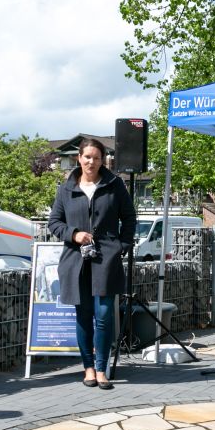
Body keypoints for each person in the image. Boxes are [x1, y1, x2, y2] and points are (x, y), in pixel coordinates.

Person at [48, 138, 135, 389]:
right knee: (83, 317)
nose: (91, 162)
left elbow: (129, 218)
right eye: (87, 157)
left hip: (105, 259)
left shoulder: (114, 185)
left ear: (103, 160)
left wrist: (122, 246)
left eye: (96, 158)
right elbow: (54, 222)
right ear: (79, 158)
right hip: (75, 261)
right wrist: (73, 234)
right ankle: (87, 368)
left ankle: (101, 368)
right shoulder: (66, 189)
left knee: (105, 315)